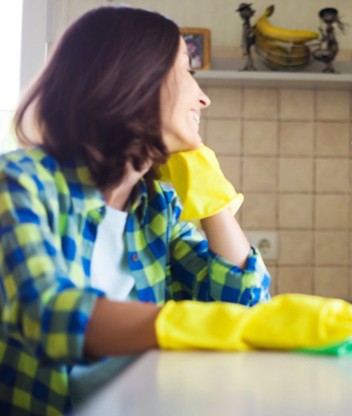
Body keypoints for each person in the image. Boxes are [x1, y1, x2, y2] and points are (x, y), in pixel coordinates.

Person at [0, 6, 270, 414]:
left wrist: (211, 193)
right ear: (135, 78)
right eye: (187, 71)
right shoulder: (19, 182)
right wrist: (188, 325)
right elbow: (48, 313)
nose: (204, 97)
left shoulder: (157, 209)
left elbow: (245, 305)